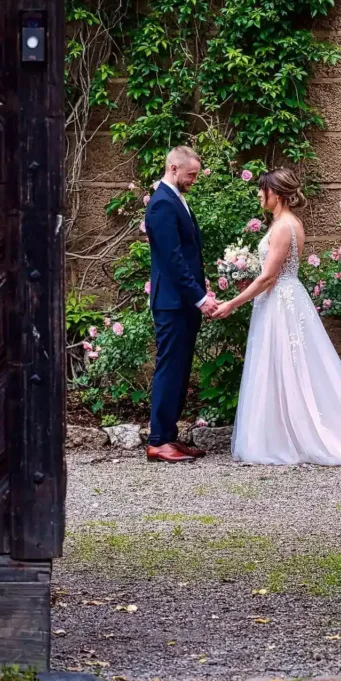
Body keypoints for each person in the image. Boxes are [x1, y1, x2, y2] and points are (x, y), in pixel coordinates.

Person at [211, 168, 341, 469]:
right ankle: (282, 432)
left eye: (261, 190)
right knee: (282, 366)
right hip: (281, 299)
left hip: (281, 301)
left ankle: (291, 437)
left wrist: (232, 304)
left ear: (275, 193)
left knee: (289, 365)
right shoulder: (284, 223)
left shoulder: (283, 227)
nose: (258, 195)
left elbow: (268, 278)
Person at [144, 146, 218, 463]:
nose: (194, 180)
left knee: (181, 369)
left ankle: (169, 437)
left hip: (182, 300)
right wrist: (200, 298)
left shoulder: (174, 199)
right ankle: (158, 440)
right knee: (169, 368)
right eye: (191, 174)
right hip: (172, 303)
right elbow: (173, 260)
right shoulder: (161, 204)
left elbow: (188, 254)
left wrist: (201, 286)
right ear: (174, 168)